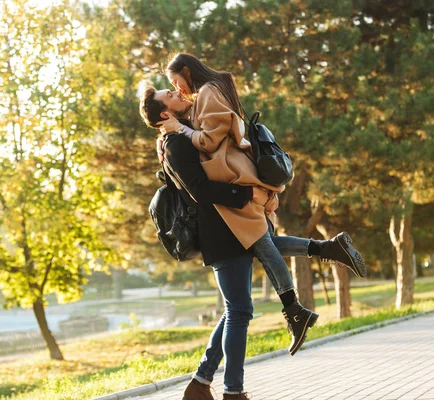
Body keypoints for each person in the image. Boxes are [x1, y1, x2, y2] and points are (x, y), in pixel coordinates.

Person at [139, 86, 364, 400]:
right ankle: (232, 391)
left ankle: (201, 383)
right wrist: (246, 194)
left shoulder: (182, 134)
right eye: (170, 95)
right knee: (240, 311)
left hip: (230, 224)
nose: (178, 93)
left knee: (237, 306)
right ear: (164, 113)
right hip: (219, 232)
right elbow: (201, 190)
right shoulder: (175, 143)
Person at [158, 54, 366, 346]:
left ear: (188, 72)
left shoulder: (207, 91)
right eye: (172, 88)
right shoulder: (214, 89)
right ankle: (328, 251)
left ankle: (295, 308)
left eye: (176, 83)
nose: (178, 89)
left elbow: (209, 140)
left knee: (259, 245)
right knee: (261, 242)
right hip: (239, 175)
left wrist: (180, 129)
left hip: (235, 178)